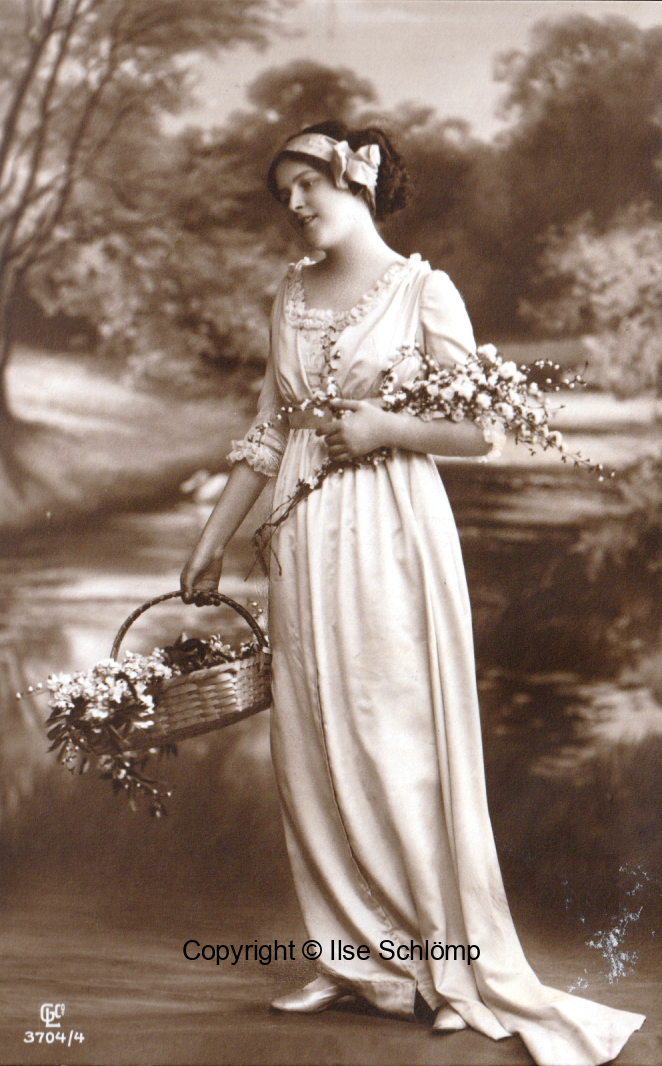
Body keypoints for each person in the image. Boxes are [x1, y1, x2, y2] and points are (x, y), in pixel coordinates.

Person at [180, 121, 644, 1065]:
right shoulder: (288, 293)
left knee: (397, 742)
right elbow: (269, 429)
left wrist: (387, 427)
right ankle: (352, 959)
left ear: (357, 182)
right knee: (308, 740)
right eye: (283, 193)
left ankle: (446, 965)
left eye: (307, 185)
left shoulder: (422, 290)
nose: (294, 205)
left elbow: (484, 432)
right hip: (300, 536)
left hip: (390, 529)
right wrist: (211, 538)